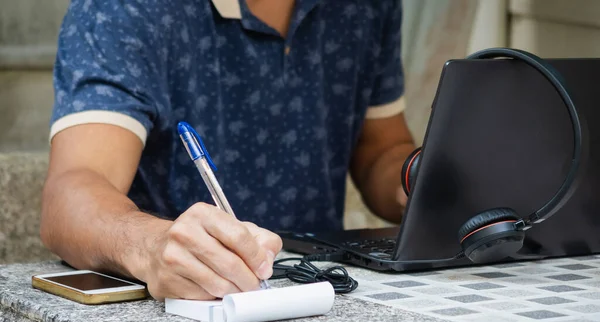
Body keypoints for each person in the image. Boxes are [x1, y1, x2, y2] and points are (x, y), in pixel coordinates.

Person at [40, 0, 416, 301]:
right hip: (187, 310)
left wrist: (426, 180)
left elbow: (382, 149)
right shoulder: (121, 9)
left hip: (319, 292)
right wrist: (151, 245)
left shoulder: (370, 7)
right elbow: (73, 190)